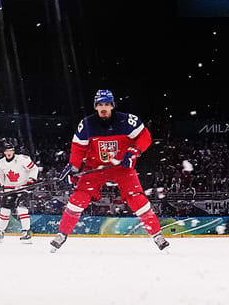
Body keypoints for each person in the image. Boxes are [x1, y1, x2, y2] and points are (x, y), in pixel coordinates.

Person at [51, 90, 168, 249]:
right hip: (95, 168)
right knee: (79, 198)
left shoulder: (127, 121)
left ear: (112, 105)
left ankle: (157, 235)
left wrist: (133, 151)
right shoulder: (86, 124)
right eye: (100, 105)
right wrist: (73, 167)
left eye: (107, 104)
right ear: (95, 107)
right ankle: (62, 234)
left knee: (137, 199)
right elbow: (78, 149)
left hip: (121, 167)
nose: (103, 108)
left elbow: (145, 137)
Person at [0, 144, 40, 241]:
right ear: (4, 153)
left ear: (13, 151)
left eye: (10, 151)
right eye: (6, 151)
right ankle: (0, 232)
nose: (8, 153)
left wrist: (31, 180)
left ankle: (26, 232)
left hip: (23, 188)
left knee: (21, 208)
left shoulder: (22, 159)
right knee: (4, 210)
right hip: (9, 189)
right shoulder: (1, 163)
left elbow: (34, 168)